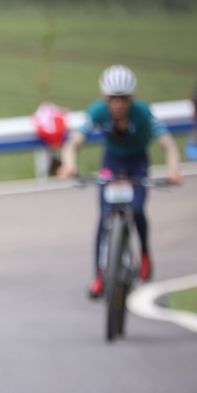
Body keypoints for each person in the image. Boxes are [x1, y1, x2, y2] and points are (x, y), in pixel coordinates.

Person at [58, 65, 183, 297]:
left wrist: (173, 171)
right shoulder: (97, 112)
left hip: (137, 163)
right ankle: (98, 275)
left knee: (136, 209)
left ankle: (144, 252)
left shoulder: (143, 113)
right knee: (105, 215)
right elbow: (74, 142)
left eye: (123, 99)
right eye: (113, 99)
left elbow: (168, 144)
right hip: (112, 162)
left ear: (131, 98)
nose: (118, 104)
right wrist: (69, 165)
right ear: (105, 98)